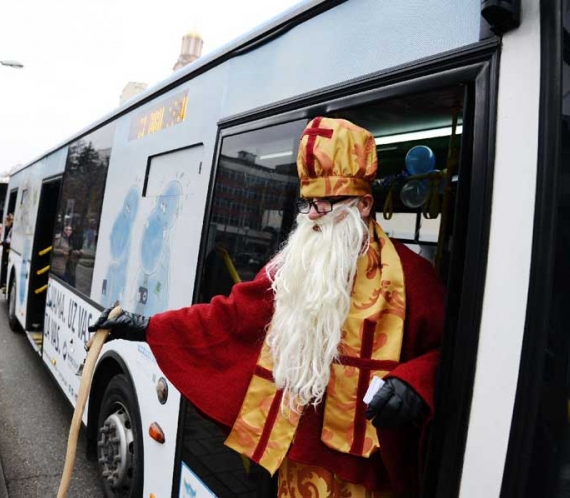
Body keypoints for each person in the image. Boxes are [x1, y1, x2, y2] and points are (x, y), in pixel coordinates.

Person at [88, 117, 445, 496]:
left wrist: (414, 383)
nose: (311, 215)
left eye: (324, 204)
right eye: (308, 202)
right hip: (294, 466)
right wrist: (147, 327)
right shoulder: (292, 268)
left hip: (365, 479)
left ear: (364, 205)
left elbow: (456, 355)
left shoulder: (412, 277)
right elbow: (230, 318)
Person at [0, 213, 13, 291]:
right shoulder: (10, 229)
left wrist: (2, 243)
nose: (5, 224)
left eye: (6, 222)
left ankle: (4, 284)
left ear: (9, 222)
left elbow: (9, 241)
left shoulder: (11, 230)